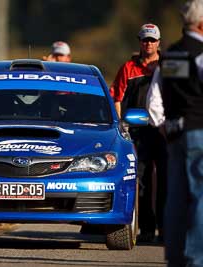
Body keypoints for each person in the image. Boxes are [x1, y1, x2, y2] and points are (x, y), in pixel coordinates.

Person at [148, 1, 203, 265]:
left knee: (176, 198)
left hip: (174, 133)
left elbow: (155, 97)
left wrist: (163, 125)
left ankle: (175, 257)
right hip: (199, 132)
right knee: (200, 198)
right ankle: (196, 258)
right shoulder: (201, 54)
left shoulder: (170, 55)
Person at [110, 23, 167, 243]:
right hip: (138, 133)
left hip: (162, 130)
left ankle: (165, 229)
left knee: (165, 182)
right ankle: (146, 229)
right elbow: (117, 97)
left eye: (153, 40)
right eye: (145, 40)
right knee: (141, 182)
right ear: (140, 42)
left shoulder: (168, 65)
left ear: (159, 42)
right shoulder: (128, 68)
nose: (149, 44)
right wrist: (121, 126)